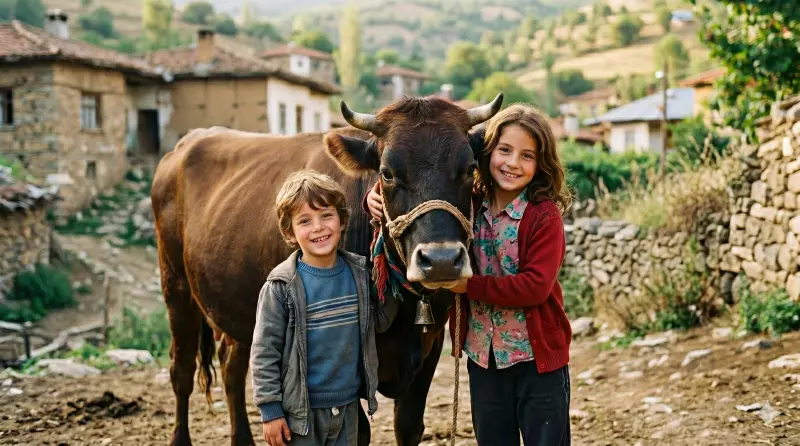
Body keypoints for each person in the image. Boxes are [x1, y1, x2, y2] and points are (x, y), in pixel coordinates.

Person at [365, 104, 573, 445]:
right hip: (484, 358)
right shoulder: (470, 204)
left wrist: (467, 285)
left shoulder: (543, 217)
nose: (512, 163)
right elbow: (426, 184)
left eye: (527, 155)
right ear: (487, 153)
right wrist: (374, 197)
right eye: (504, 150)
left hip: (537, 361)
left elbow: (536, 288)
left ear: (541, 164)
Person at [251, 170, 378, 446]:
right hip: (301, 415)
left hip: (348, 408)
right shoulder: (282, 287)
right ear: (290, 232)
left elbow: (379, 319)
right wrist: (270, 410)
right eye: (305, 221)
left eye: (326, 216)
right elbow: (264, 353)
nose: (318, 227)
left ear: (342, 220)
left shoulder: (359, 274)